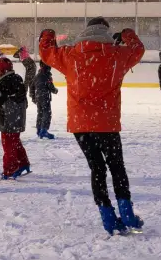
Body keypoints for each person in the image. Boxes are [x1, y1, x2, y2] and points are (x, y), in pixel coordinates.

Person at [39, 18, 145, 235]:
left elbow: (46, 52)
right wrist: (126, 35)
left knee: (97, 168)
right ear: (106, 32)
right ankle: (126, 212)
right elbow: (138, 49)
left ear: (86, 31)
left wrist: (48, 34)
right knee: (117, 167)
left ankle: (106, 214)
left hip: (81, 125)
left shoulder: (71, 55)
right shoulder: (117, 55)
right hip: (107, 123)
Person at [0, 56, 31, 179]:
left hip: (9, 118)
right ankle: (23, 163)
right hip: (18, 118)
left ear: (2, 70)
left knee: (8, 144)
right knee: (15, 141)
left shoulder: (4, 82)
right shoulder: (17, 78)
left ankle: (10, 169)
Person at [29, 61, 59, 139]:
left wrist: (33, 97)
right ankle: (44, 131)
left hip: (38, 97)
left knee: (40, 113)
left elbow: (31, 87)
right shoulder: (47, 75)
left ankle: (39, 130)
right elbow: (51, 87)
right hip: (45, 96)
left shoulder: (37, 75)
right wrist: (55, 90)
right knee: (47, 113)